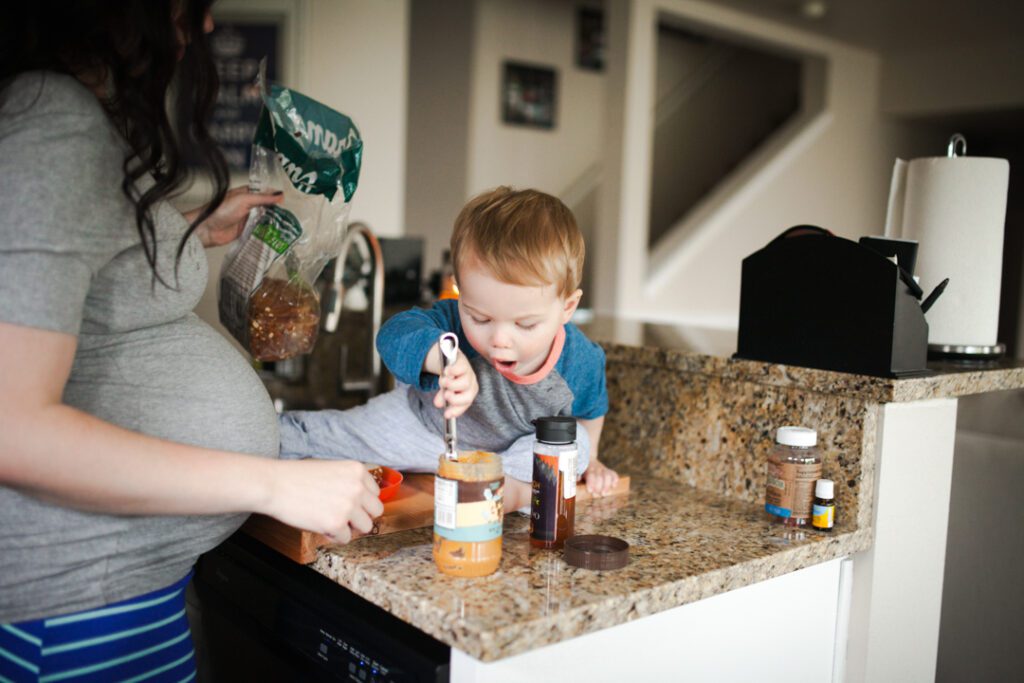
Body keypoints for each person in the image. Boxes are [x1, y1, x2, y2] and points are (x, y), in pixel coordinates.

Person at [0, 2, 382, 681]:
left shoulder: (54, 115)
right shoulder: (49, 120)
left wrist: (192, 227)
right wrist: (273, 482)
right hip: (69, 624)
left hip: (109, 606)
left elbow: (80, 259)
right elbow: (12, 428)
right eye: (190, 3)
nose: (204, 25)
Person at [279, 186, 620, 512]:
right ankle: (257, 451)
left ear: (567, 307)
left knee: (573, 443)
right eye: (480, 318)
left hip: (511, 460)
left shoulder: (580, 360)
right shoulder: (452, 319)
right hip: (424, 431)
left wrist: (591, 461)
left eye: (525, 325)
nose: (500, 339)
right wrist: (445, 357)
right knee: (303, 436)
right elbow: (394, 335)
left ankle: (510, 493)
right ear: (461, 293)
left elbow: (591, 411)